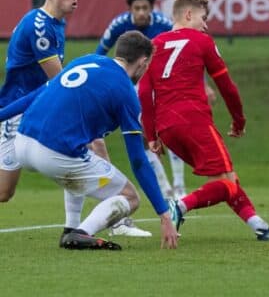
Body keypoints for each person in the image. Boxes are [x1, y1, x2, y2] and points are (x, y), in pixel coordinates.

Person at [0, 31, 179, 250]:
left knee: (82, 155)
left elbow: (34, 95)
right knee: (130, 197)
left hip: (22, 141)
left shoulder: (85, 60)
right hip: (52, 153)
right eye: (148, 64)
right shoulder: (126, 92)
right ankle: (81, 233)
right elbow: (138, 160)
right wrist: (164, 214)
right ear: (142, 62)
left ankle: (70, 227)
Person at [138, 0, 269, 241]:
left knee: (225, 177)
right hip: (194, 122)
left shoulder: (155, 44)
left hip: (167, 128)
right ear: (188, 15)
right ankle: (180, 206)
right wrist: (239, 120)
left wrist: (151, 135)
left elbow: (144, 91)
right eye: (204, 18)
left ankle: (260, 227)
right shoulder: (202, 40)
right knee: (225, 183)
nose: (206, 25)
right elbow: (227, 86)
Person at [95, 0, 215, 236]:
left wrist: (203, 84)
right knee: (144, 135)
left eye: (145, 8)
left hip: (158, 82)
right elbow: (100, 53)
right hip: (130, 82)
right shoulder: (118, 25)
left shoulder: (161, 24)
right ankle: (165, 188)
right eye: (136, 8)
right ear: (130, 10)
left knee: (167, 130)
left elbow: (184, 54)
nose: (140, 12)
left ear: (152, 9)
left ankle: (179, 186)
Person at [0, 0, 82, 204]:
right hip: (15, 112)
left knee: (84, 147)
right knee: (4, 192)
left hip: (36, 108)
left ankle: (81, 226)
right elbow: (59, 80)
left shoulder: (56, 23)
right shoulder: (40, 25)